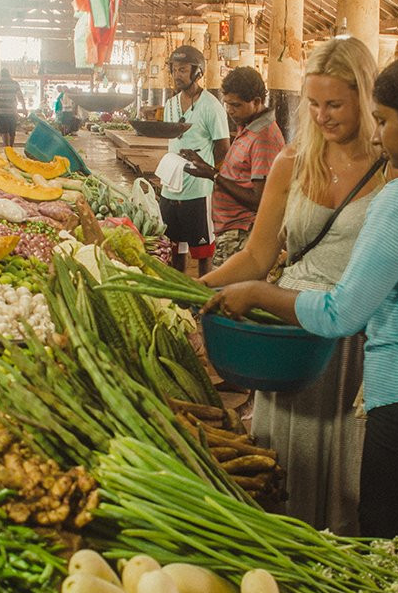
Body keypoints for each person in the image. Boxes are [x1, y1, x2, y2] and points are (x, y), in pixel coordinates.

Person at [206, 50, 398, 591]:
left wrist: (259, 292)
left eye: (383, 120)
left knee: (386, 567)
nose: (379, 137)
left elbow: (343, 312)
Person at [201, 37, 386, 535]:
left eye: (335, 104)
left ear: (365, 97)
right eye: (313, 104)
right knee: (286, 464)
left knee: (348, 467)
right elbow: (258, 256)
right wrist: (201, 291)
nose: (322, 116)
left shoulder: (394, 169)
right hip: (290, 331)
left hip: (357, 338)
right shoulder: (292, 162)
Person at [181, 66, 285, 268]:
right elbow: (241, 176)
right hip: (229, 231)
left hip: (242, 234)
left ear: (256, 102)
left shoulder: (263, 138)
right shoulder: (247, 126)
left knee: (226, 295)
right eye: (227, 104)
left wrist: (214, 176)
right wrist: (205, 166)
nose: (230, 111)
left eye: (236, 105)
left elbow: (259, 200)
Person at [161, 45, 230, 276]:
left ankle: (204, 293)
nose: (177, 75)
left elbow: (223, 149)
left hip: (198, 191)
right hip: (171, 188)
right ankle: (178, 296)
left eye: (183, 70)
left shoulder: (211, 106)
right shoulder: (170, 104)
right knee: (174, 249)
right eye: (174, 70)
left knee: (203, 251)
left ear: (197, 73)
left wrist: (213, 178)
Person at [0, 68, 27, 148]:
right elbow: (20, 97)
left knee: (4, 131)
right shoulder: (14, 83)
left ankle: (6, 147)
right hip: (12, 111)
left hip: (1, 111)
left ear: (1, 75)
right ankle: (11, 147)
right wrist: (24, 108)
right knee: (12, 131)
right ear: (9, 74)